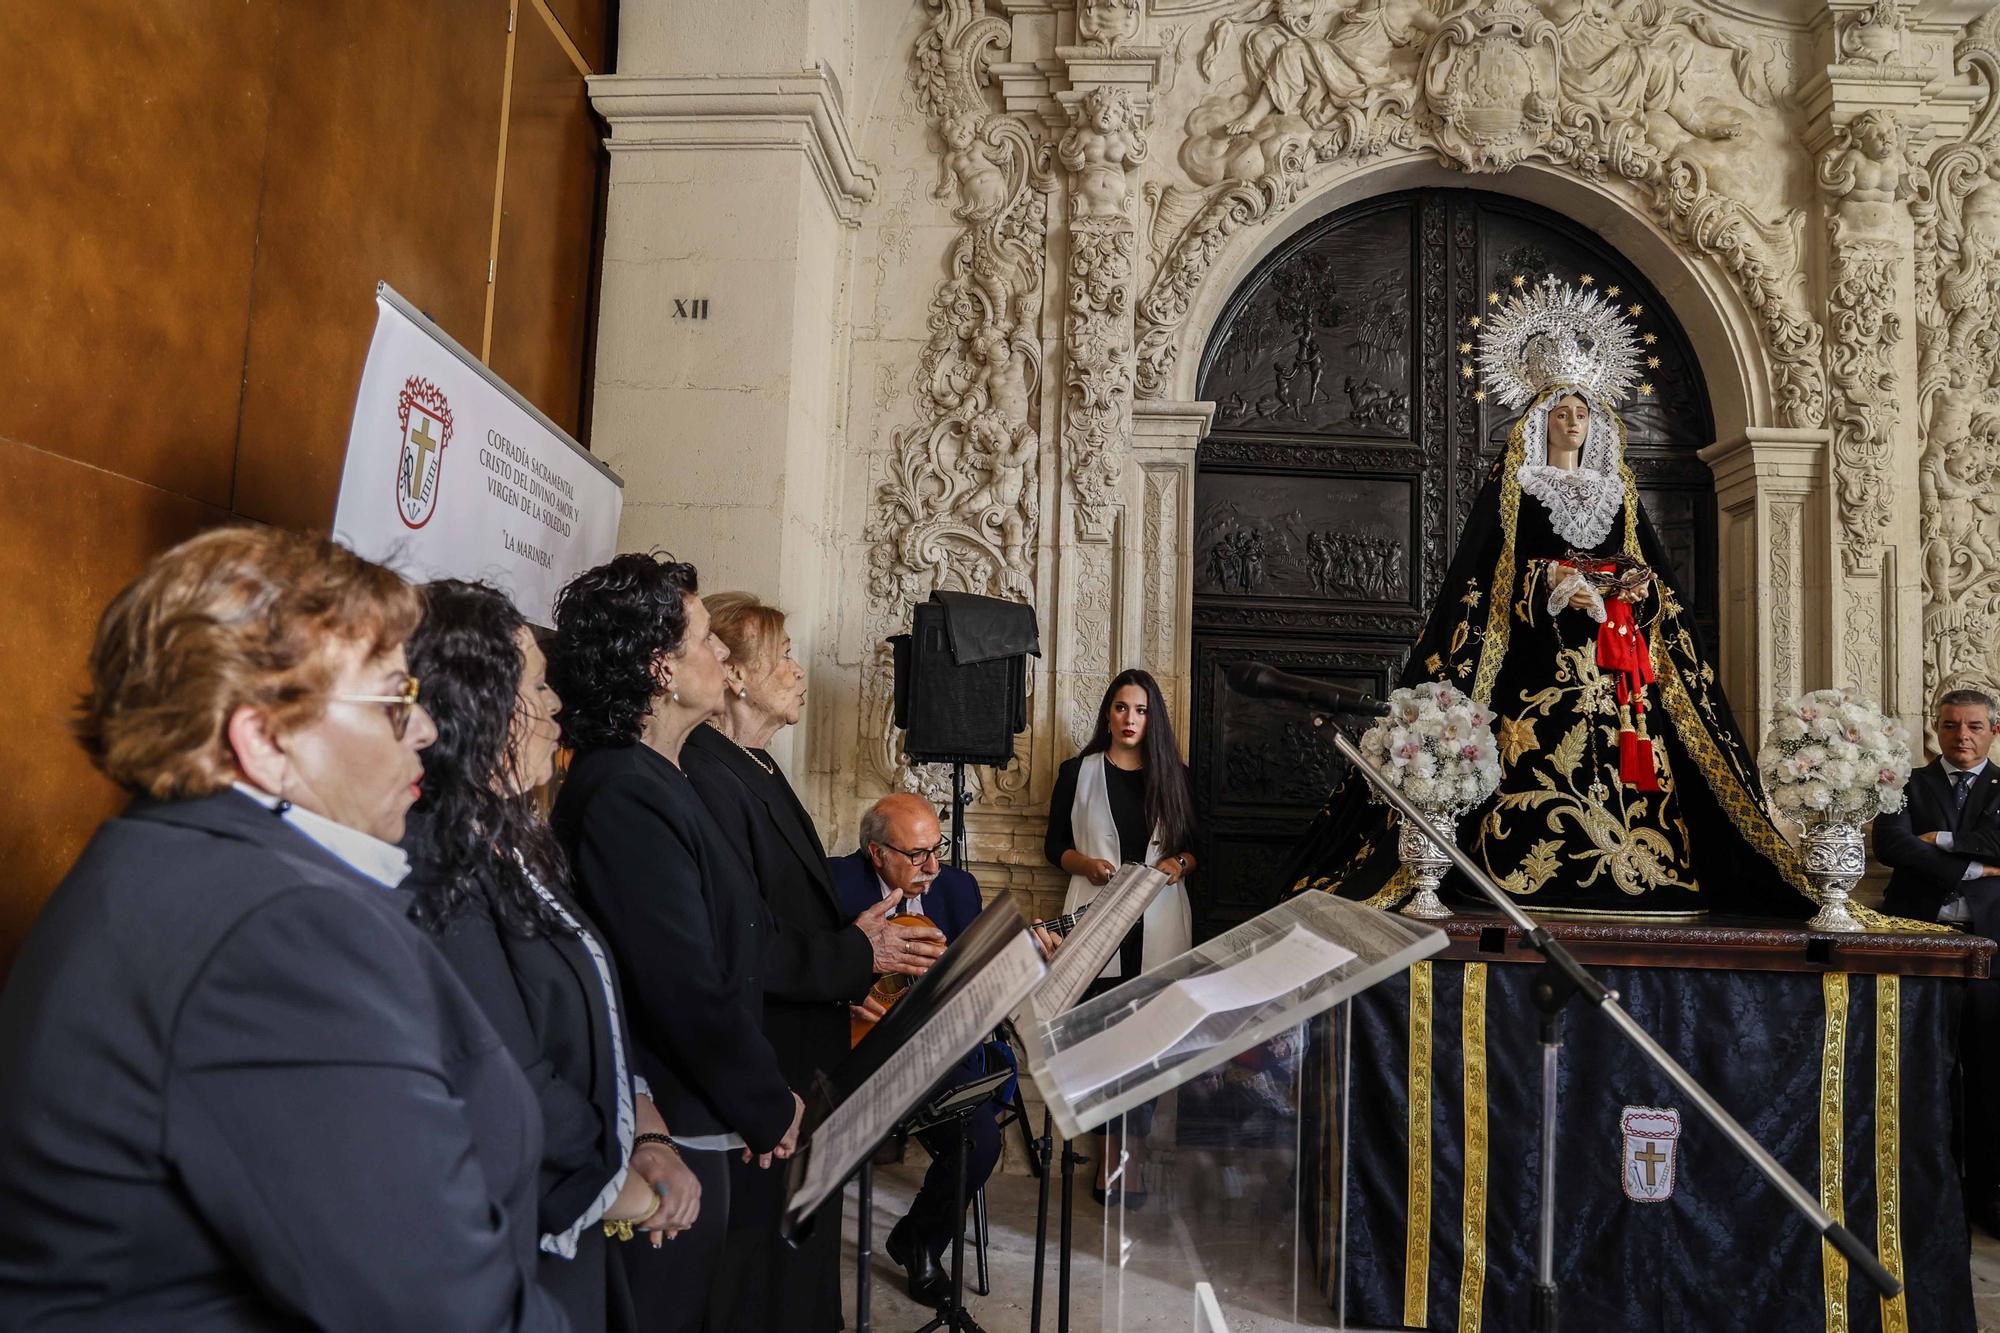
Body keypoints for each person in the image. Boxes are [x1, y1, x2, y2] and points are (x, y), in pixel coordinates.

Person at [0, 527, 565, 1329]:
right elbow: (445, 1311)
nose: (427, 731)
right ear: (265, 739)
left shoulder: (185, 860)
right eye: (393, 701)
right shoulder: (280, 932)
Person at [1285, 276, 1842, 920]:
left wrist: (1634, 588)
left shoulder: (1618, 493)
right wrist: (1546, 583)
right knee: (1534, 754)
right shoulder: (1518, 487)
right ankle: (1528, 868)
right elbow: (1486, 577)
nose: (1574, 421)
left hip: (1616, 658)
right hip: (1536, 662)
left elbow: (1651, 574)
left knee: (1633, 757)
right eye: (1561, 412)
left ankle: (1642, 868)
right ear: (1538, 421)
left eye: (1583, 412)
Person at [402, 579, 704, 1331]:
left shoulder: (511, 838)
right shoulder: (441, 861)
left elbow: (591, 1003)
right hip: (520, 1231)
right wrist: (619, 1185)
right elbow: (505, 1071)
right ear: (485, 702)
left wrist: (646, 1125)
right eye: (539, 682)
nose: (557, 705)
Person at [548, 552, 805, 1333]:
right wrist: (764, 1101)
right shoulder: (622, 787)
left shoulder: (666, 771)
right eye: (704, 639)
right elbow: (681, 983)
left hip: (698, 1117)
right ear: (660, 667)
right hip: (667, 1130)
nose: (723, 655)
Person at [683, 592, 945, 1332]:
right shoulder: (707, 772)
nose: (799, 672)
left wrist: (852, 960)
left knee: (799, 1273)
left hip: (805, 1053)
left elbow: (793, 913)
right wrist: (863, 951)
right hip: (767, 1068)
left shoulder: (754, 764)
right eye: (784, 657)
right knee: (763, 1282)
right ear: (733, 675)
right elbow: (744, 939)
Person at [830, 794, 1000, 1305]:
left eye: (937, 849)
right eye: (916, 854)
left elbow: (976, 983)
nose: (932, 866)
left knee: (980, 1141)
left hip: (929, 1055)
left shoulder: (959, 889)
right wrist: (844, 996)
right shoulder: (833, 882)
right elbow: (802, 964)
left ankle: (919, 1241)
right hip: (849, 1052)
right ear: (876, 852)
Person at [1044, 667, 1198, 1203]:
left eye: (1141, 710)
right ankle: (1108, 1156)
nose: (1130, 719)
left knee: (1147, 1046)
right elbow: (1053, 847)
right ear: (1107, 714)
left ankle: (1127, 1157)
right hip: (1097, 917)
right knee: (1103, 1043)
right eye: (1121, 708)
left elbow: (1195, 847)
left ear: (1153, 718)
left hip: (1158, 919)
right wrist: (1083, 863)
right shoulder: (1077, 772)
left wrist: (1179, 863)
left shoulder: (1173, 774)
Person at [1874, 687, 2000, 1234]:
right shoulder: (1907, 783)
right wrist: (1974, 868)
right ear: (1936, 730)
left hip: (1989, 950)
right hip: (1919, 943)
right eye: (1951, 726)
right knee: (1921, 1072)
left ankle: (1986, 1200)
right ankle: (1924, 1199)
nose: (1962, 736)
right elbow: (1892, 845)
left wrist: (1944, 840)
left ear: (1993, 731)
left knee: (1989, 1075)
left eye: (1974, 726)